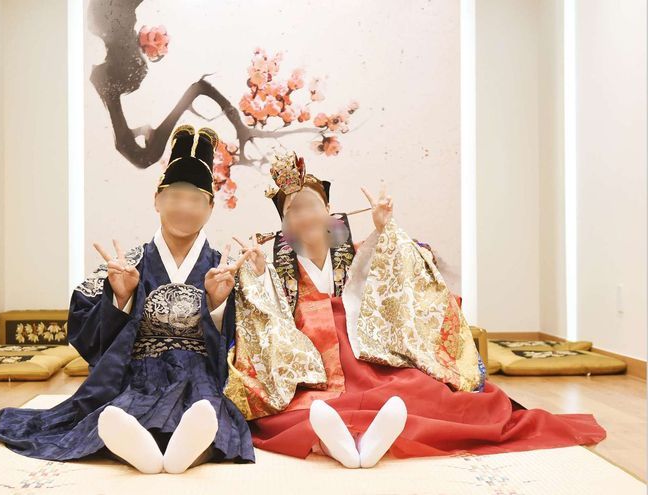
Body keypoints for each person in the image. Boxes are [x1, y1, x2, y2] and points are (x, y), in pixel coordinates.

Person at [226, 151, 606, 469]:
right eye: (293, 210)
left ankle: (365, 440)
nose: (305, 215)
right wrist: (257, 279)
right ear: (284, 224)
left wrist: (384, 229)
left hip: (366, 352)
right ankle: (336, 443)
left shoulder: (359, 252)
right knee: (292, 409)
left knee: (418, 390)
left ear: (328, 210)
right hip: (315, 362)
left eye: (312, 205)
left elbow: (394, 286)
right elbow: (270, 328)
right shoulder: (275, 265)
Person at [0, 125, 255, 474]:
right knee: (125, 407)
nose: (184, 208)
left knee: (205, 406)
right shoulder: (129, 264)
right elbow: (85, 326)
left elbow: (248, 342)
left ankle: (177, 453)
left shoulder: (221, 269)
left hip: (200, 371)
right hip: (138, 372)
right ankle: (149, 452)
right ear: (157, 200)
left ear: (210, 208)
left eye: (195, 200)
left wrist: (218, 305)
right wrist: (122, 297)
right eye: (175, 196)